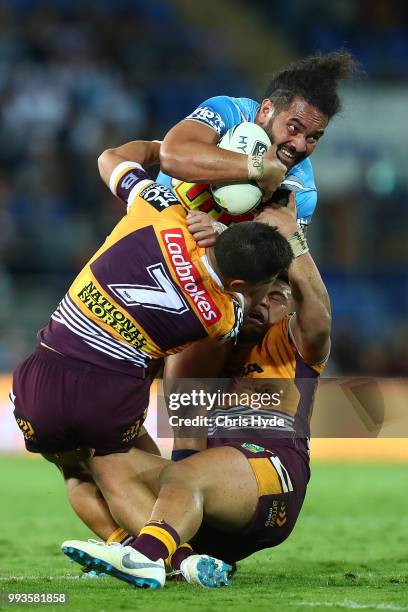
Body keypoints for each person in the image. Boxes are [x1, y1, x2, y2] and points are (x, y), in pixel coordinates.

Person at [11, 139, 294, 586]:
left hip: (45, 368)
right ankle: (173, 560)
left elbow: (110, 157)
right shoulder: (220, 316)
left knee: (72, 470)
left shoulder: (163, 212)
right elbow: (243, 312)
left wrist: (169, 149)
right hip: (109, 388)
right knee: (114, 468)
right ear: (242, 282)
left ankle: (132, 549)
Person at [62, 194, 331, 589]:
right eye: (262, 292)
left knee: (189, 473)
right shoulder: (206, 335)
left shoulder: (293, 343)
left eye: (278, 298)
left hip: (274, 478)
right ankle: (182, 560)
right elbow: (180, 424)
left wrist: (292, 237)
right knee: (103, 459)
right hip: (202, 495)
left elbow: (319, 312)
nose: (264, 304)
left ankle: (144, 556)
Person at [156, 51, 357, 227]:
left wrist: (221, 239)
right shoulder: (230, 112)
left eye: (313, 138)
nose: (300, 145)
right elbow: (172, 156)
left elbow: (278, 264)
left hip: (204, 269)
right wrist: (258, 168)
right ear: (266, 111)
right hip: (150, 238)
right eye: (294, 128)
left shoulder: (299, 190)